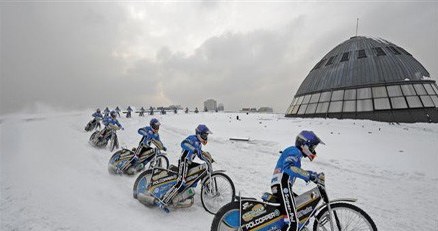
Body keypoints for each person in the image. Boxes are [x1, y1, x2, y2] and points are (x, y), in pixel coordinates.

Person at [270, 130, 324, 231]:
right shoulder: (294, 151)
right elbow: (289, 168)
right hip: (282, 185)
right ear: (304, 145)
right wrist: (309, 175)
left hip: (282, 185)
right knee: (293, 222)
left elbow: (295, 170)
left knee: (301, 209)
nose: (313, 150)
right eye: (312, 147)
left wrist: (312, 175)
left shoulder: (296, 153)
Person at [159, 124, 212, 210]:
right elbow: (183, 143)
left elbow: (199, 155)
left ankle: (206, 190)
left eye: (206, 135)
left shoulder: (199, 144)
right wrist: (193, 149)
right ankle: (164, 200)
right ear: (199, 134)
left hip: (189, 162)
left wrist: (207, 159)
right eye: (204, 135)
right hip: (184, 162)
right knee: (181, 183)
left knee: (203, 168)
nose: (205, 137)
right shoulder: (192, 138)